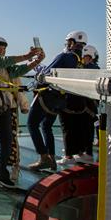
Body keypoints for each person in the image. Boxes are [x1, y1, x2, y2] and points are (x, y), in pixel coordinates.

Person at [0, 34, 44, 187]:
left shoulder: (1, 63)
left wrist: (35, 61)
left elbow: (17, 71)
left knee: (6, 140)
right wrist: (27, 56)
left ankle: (0, 171)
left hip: (3, 105)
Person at [27, 31, 87, 171]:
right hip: (61, 100)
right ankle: (52, 159)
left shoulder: (64, 56)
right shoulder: (80, 63)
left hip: (48, 97)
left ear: (71, 43)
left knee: (31, 124)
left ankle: (43, 157)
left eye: (68, 42)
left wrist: (35, 67)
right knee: (46, 126)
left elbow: (45, 74)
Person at [0, 36, 34, 182]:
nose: (1, 49)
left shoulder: (8, 66)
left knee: (11, 139)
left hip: (9, 107)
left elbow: (17, 87)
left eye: (3, 47)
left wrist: (24, 105)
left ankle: (14, 167)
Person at [73, 44, 100, 163]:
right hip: (92, 102)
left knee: (87, 126)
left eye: (85, 57)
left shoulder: (91, 69)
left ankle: (87, 153)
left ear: (90, 57)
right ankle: (85, 150)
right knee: (90, 125)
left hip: (90, 102)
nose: (83, 59)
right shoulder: (95, 68)